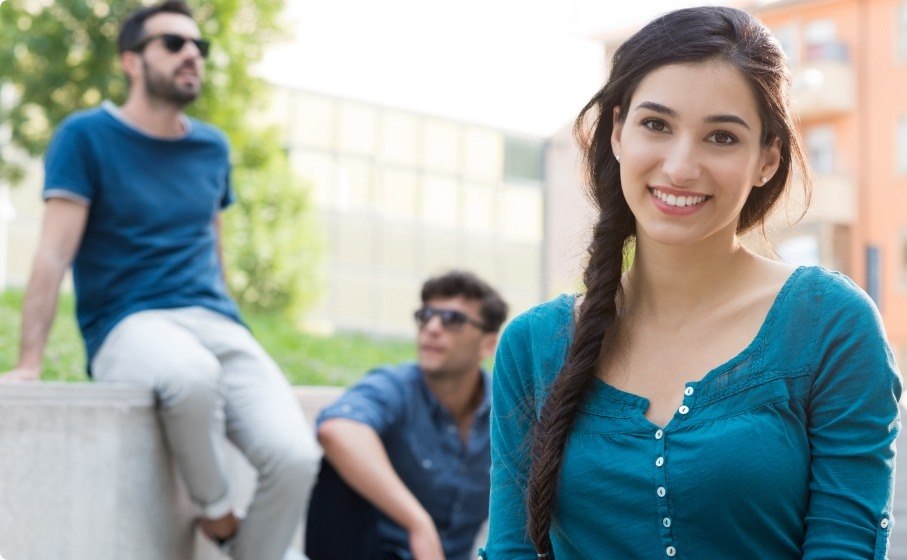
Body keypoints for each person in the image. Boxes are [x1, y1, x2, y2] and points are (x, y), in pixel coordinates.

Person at [482, 6, 901, 559]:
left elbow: (844, 546)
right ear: (616, 132)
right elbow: (511, 549)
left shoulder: (829, 324)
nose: (680, 167)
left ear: (767, 159)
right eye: (656, 124)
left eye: (721, 137)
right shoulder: (532, 347)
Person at [0, 2, 319, 559]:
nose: (192, 53)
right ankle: (219, 515)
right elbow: (52, 256)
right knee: (191, 377)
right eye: (173, 43)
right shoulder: (86, 136)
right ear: (131, 60)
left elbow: (212, 246)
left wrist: (231, 320)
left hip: (214, 321)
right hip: (129, 324)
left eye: (199, 46)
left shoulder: (212, 147)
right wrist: (30, 362)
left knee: (296, 456)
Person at [308, 271, 508, 560]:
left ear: (488, 344)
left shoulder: (507, 411)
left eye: (453, 320)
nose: (433, 328)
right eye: (425, 316)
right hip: (371, 552)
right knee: (336, 470)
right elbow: (337, 428)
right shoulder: (395, 385)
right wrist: (417, 522)